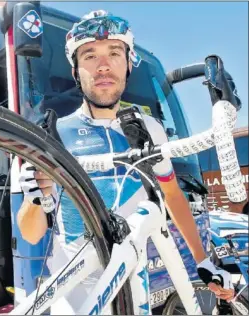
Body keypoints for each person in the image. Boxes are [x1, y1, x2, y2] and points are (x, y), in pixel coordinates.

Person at [18, 10, 234, 313]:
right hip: (75, 298)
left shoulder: (150, 129)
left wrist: (203, 261)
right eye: (90, 56)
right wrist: (33, 200)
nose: (104, 65)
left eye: (115, 53)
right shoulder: (56, 134)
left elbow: (172, 195)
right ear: (76, 71)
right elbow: (31, 233)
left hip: (135, 286)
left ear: (129, 63)